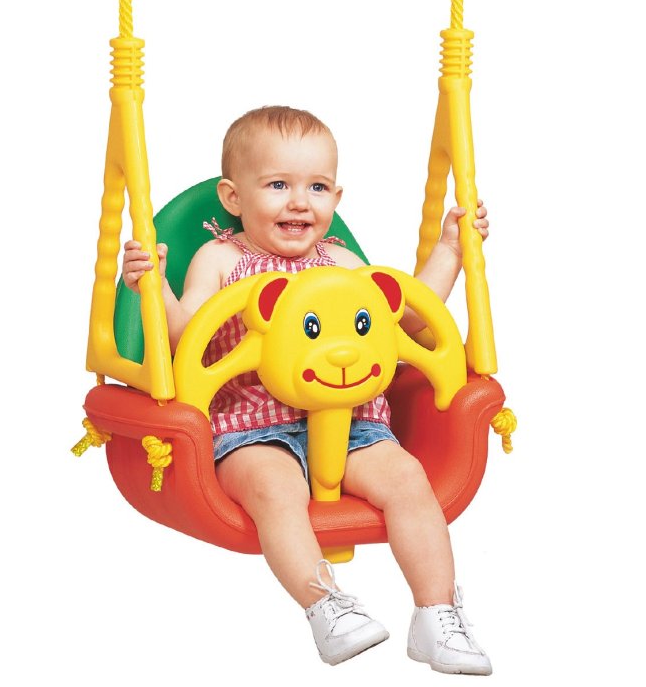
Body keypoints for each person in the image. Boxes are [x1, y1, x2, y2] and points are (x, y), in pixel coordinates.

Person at [122, 106, 492, 675]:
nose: (300, 202)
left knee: (409, 481)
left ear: (336, 199)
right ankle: (326, 605)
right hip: (252, 427)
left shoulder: (342, 262)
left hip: (353, 421)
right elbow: (182, 337)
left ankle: (437, 614)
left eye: (317, 187)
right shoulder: (220, 259)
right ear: (232, 197)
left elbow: (409, 318)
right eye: (278, 185)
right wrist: (154, 289)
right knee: (276, 488)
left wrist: (450, 250)